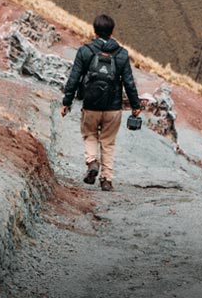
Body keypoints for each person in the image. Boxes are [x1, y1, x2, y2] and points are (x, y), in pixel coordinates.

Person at [60, 13, 142, 192]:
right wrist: (136, 106)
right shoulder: (122, 54)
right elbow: (129, 83)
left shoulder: (85, 51)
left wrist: (67, 102)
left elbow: (74, 78)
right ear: (112, 32)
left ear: (95, 31)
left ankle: (91, 163)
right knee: (108, 142)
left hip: (90, 106)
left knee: (90, 135)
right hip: (113, 108)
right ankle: (106, 180)